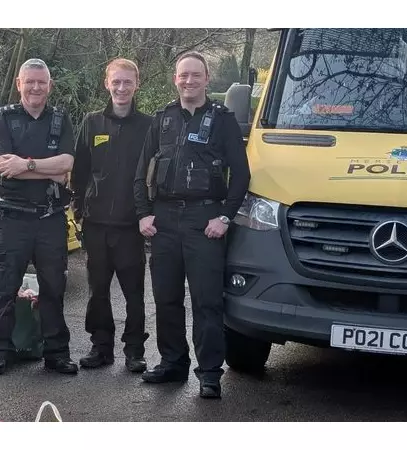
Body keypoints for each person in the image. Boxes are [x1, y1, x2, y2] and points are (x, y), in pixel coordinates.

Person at [133, 51, 251, 398]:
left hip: (205, 219)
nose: (188, 81)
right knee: (166, 298)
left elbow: (241, 174)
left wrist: (225, 216)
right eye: (183, 75)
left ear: (206, 78)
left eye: (195, 75)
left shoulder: (222, 119)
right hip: (165, 219)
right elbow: (141, 173)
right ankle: (172, 363)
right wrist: (143, 213)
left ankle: (210, 373)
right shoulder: (164, 119)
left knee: (207, 302)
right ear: (175, 79)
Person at [0, 58, 78, 376]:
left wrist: (26, 166)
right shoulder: (6, 118)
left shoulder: (60, 119)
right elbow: (3, 166)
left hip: (50, 218)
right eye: (30, 81)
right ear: (19, 84)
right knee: (5, 289)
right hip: (12, 219)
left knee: (54, 288)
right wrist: (46, 169)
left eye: (42, 82)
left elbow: (66, 163)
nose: (36, 87)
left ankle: (56, 354)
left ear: (49, 85)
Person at [70, 58, 153, 373]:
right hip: (96, 225)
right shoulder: (92, 123)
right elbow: (79, 171)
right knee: (98, 291)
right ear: (107, 84)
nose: (121, 88)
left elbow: (152, 174)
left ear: (136, 84)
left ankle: (134, 351)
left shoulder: (149, 125)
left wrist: (148, 214)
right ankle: (100, 347)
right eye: (116, 82)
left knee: (134, 293)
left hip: (132, 226)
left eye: (127, 82)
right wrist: (79, 209)